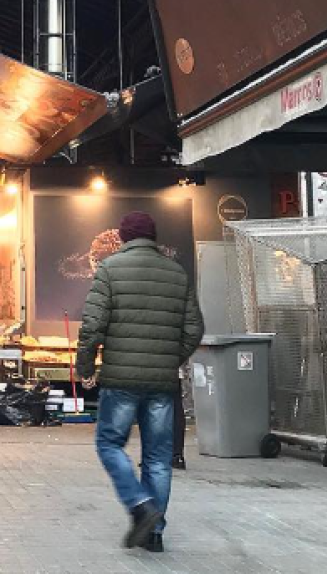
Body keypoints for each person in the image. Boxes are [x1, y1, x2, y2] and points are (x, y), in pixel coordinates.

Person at [76, 212, 204, 554]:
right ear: (153, 237)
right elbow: (194, 329)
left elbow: (92, 326)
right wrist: (169, 359)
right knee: (159, 458)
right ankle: (155, 534)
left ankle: (139, 505)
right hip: (162, 384)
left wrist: (85, 367)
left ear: (123, 238)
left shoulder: (109, 270)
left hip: (120, 380)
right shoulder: (176, 274)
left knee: (109, 444)